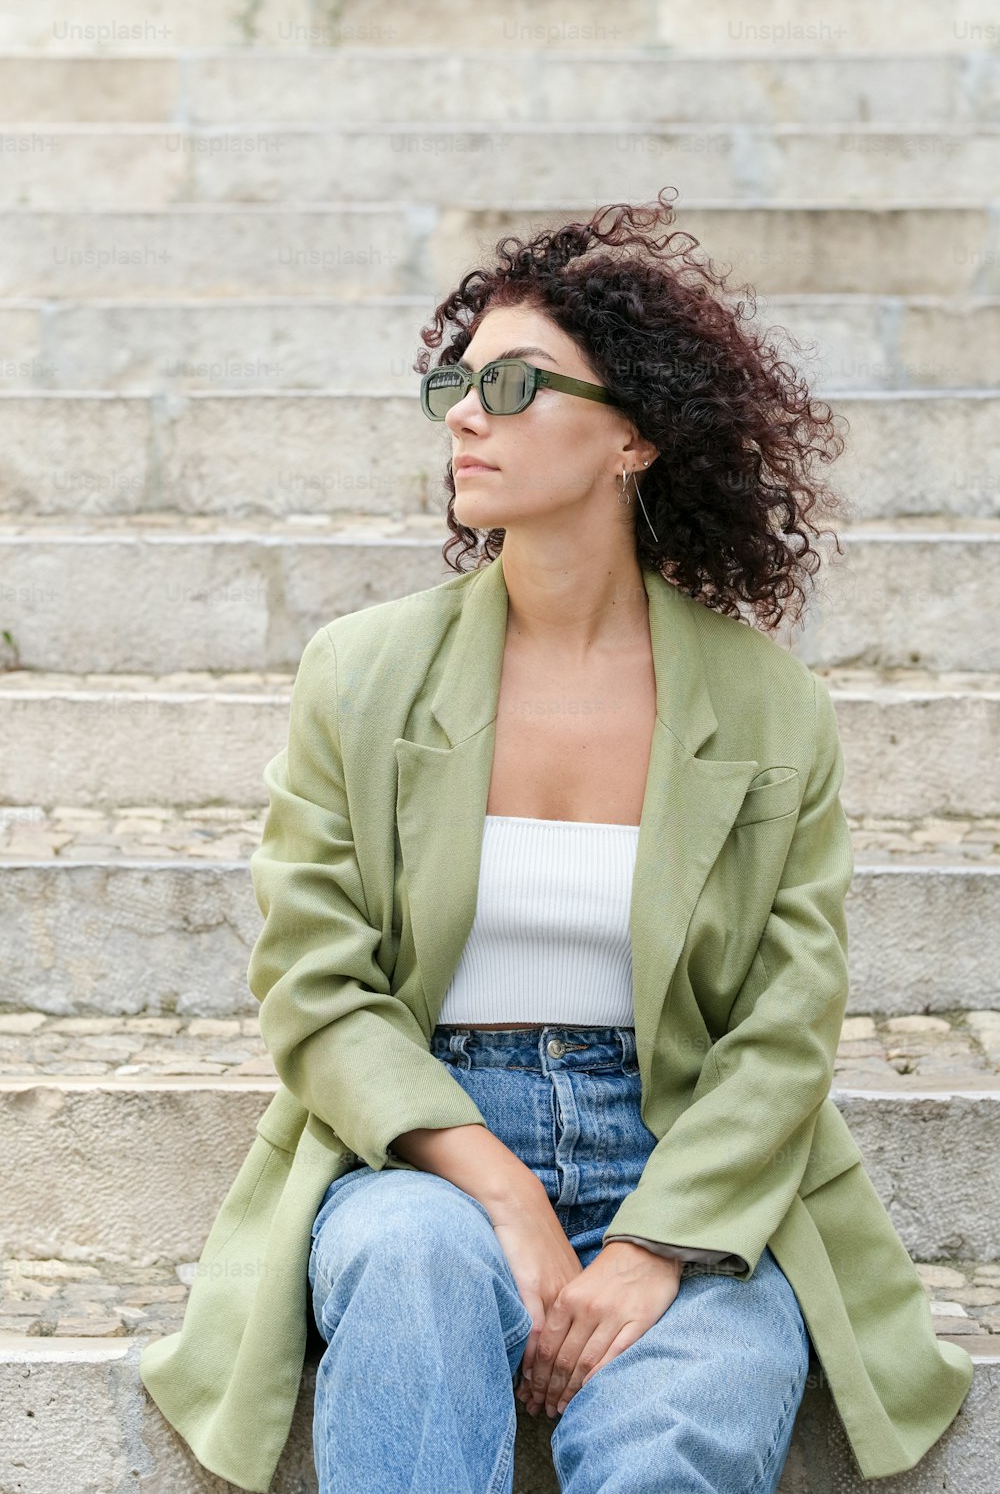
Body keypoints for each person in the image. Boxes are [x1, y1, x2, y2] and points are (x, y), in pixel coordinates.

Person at [139, 188, 974, 1494]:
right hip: (425, 1145)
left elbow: (785, 1019)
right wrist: (507, 1195)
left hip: (692, 1168)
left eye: (518, 384)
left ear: (634, 435)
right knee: (411, 1277)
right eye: (459, 385)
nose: (468, 414)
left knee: (679, 1435)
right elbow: (316, 980)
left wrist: (653, 1246)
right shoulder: (362, 676)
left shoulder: (770, 707)